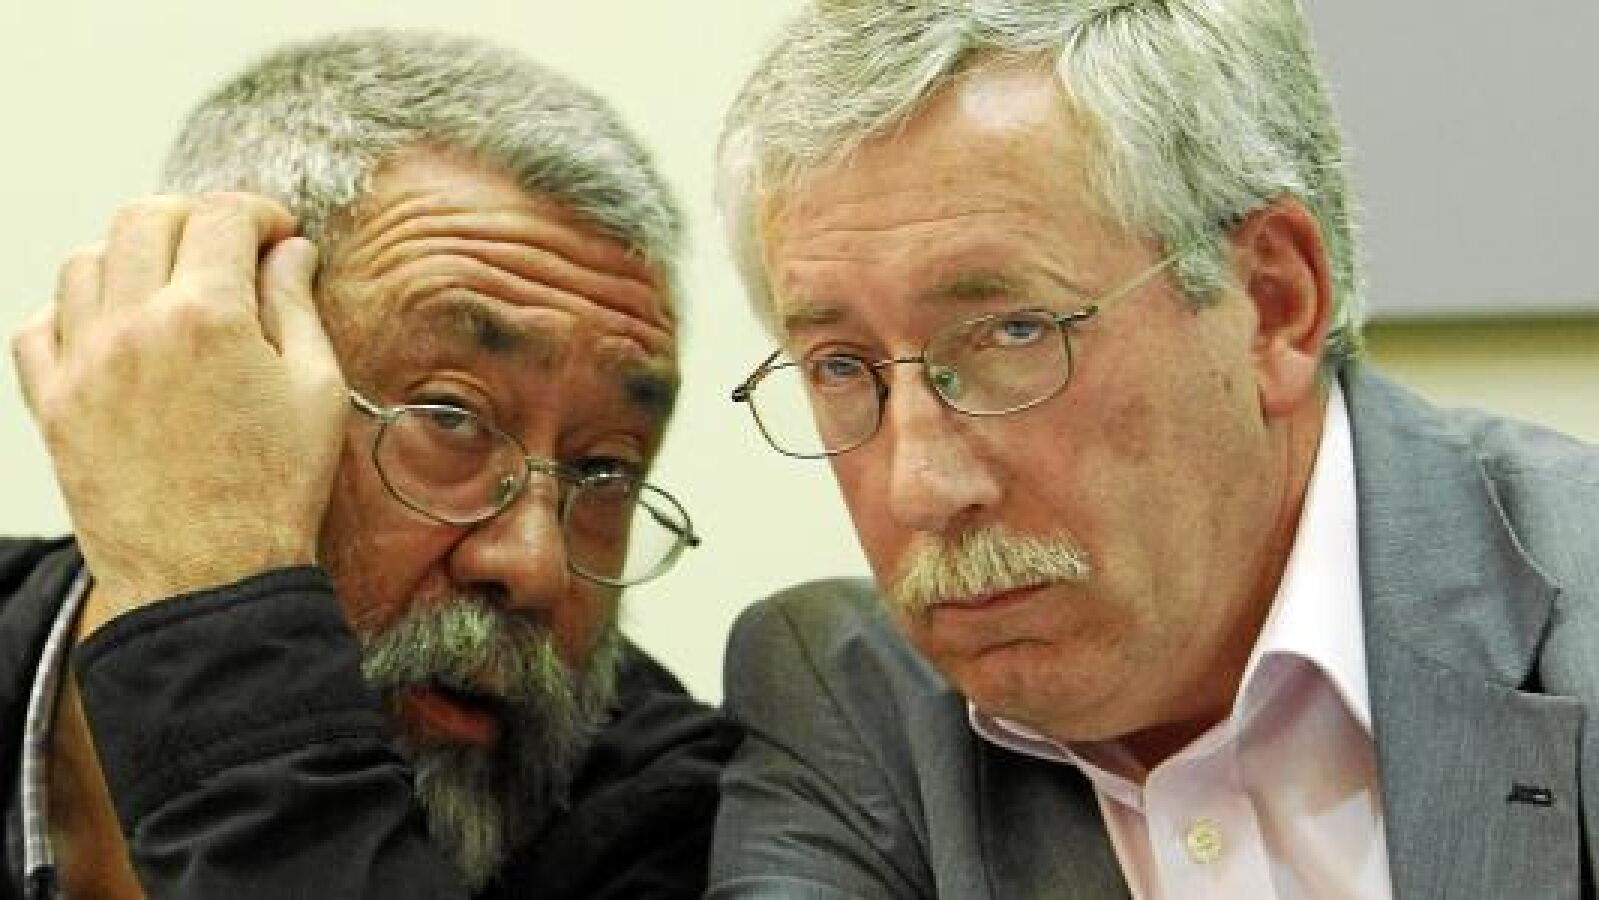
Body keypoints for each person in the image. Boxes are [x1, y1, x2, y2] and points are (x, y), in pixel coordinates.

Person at [707, 1, 1599, 897]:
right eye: (839, 366)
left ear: (1272, 303)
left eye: (1013, 332)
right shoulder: (852, 705)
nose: (921, 488)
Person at [4, 28, 738, 900]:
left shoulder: (683, 829)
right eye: (449, 416)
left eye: (604, 470)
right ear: (188, 384)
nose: (534, 565)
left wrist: (222, 651)